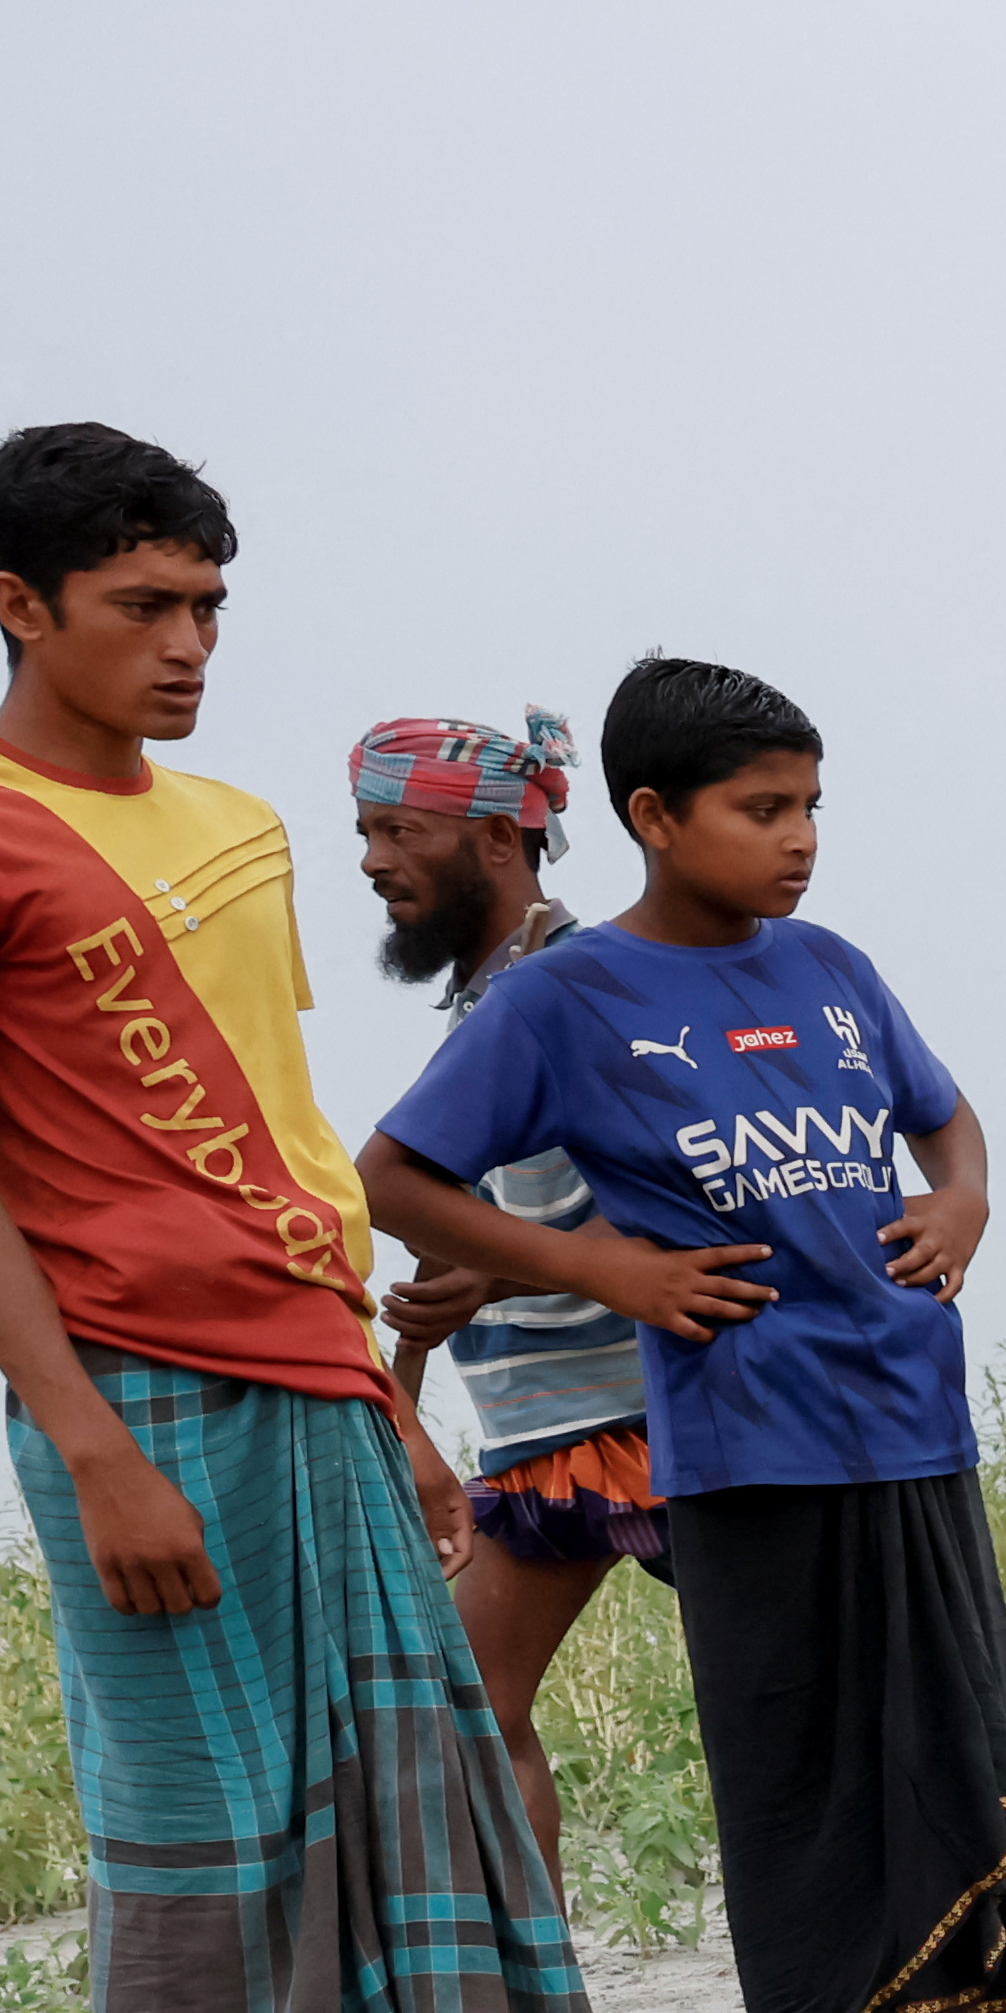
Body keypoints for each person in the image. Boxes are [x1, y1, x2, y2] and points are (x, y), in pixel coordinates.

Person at [0, 421, 669, 2013]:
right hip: (132, 1389)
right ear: (19, 606)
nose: (190, 642)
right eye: (143, 605)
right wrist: (89, 1439)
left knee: (427, 1800)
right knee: (201, 1836)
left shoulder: (236, 828)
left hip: (311, 1380)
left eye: (208, 602)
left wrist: (383, 1389)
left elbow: (284, 1133)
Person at [362, 657, 1006, 2013]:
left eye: (809, 807)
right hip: (737, 1446)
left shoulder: (836, 965)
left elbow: (948, 1119)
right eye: (760, 809)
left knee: (955, 1765)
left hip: (912, 1423)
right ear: (653, 817)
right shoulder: (563, 1002)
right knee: (789, 1784)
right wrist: (607, 1275)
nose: (796, 840)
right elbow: (395, 1176)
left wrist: (964, 1201)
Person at [340, 704, 656, 1868]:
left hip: (643, 1419)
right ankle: (538, 2012)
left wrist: (482, 1268)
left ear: (493, 840)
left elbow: (661, 1182)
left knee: (468, 1707)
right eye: (365, 832)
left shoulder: (575, 984)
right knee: (469, 1705)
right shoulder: (499, 996)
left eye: (397, 830)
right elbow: (448, 1228)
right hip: (551, 1433)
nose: (373, 860)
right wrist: (403, 1402)